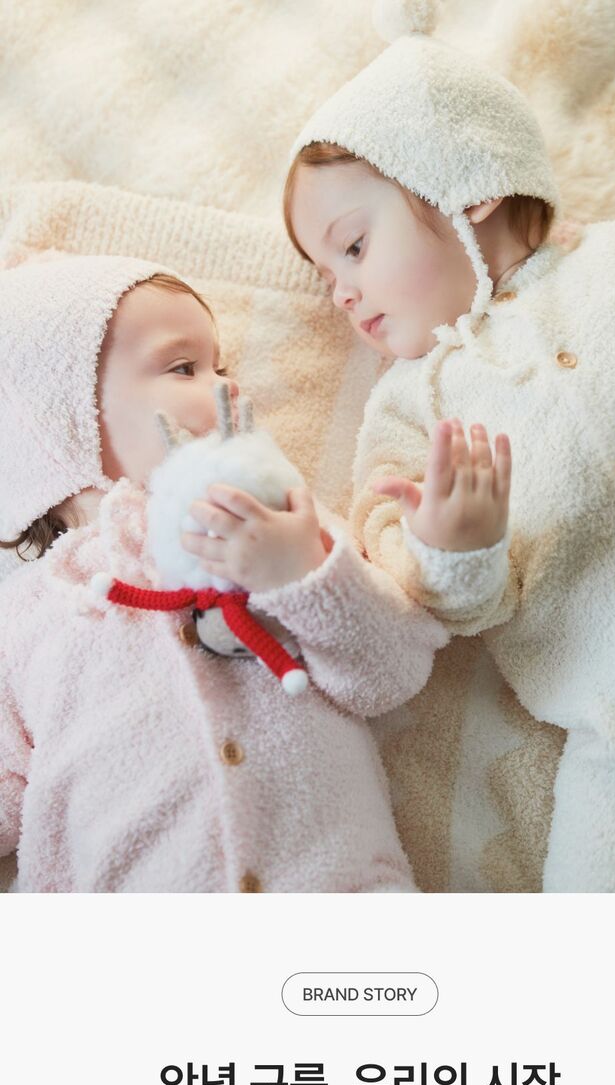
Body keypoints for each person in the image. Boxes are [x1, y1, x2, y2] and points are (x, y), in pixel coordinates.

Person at [284, 1, 615, 891]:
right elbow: (418, 583)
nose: (341, 292)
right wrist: (453, 547)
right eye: (325, 275)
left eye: (354, 246)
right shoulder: (411, 409)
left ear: (469, 186)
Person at [0, 253, 451, 893]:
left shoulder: (283, 522)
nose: (230, 388)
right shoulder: (27, 616)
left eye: (222, 367)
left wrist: (302, 575)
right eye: (184, 368)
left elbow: (391, 675)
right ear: (59, 416)